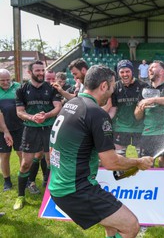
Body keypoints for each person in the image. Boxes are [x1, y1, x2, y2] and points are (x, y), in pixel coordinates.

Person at [48, 65, 153, 238]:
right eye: (112, 87)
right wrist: (138, 162)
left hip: (61, 185)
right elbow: (111, 162)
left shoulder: (71, 104)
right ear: (103, 86)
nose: (112, 92)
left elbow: (68, 145)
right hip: (75, 189)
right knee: (131, 226)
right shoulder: (96, 113)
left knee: (112, 226)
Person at [14, 60, 62, 210]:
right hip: (30, 130)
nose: (41, 73)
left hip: (49, 128)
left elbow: (58, 107)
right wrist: (32, 117)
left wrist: (46, 115)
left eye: (43, 70)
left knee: (52, 162)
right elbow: (20, 112)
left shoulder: (51, 88)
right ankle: (20, 196)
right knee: (25, 164)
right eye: (38, 71)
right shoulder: (22, 90)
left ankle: (52, 194)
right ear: (30, 72)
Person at [134, 61, 164, 168]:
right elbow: (137, 116)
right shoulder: (144, 90)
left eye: (153, 67)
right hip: (148, 134)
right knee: (145, 171)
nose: (149, 69)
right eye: (149, 68)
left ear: (162, 71)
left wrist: (153, 100)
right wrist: (141, 108)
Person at [108, 60, 147, 157]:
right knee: (119, 157)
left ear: (132, 71)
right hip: (120, 127)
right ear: (118, 73)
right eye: (122, 72)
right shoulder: (115, 87)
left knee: (143, 157)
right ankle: (121, 173)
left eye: (127, 71)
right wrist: (104, 119)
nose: (125, 74)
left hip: (139, 127)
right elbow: (113, 108)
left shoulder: (143, 86)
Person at [0, 69, 23, 191]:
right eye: (2, 80)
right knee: (4, 155)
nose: (5, 82)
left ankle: (24, 179)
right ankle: (7, 181)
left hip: (19, 127)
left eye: (8, 79)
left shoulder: (18, 87)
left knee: (21, 153)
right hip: (2, 129)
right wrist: (5, 131)